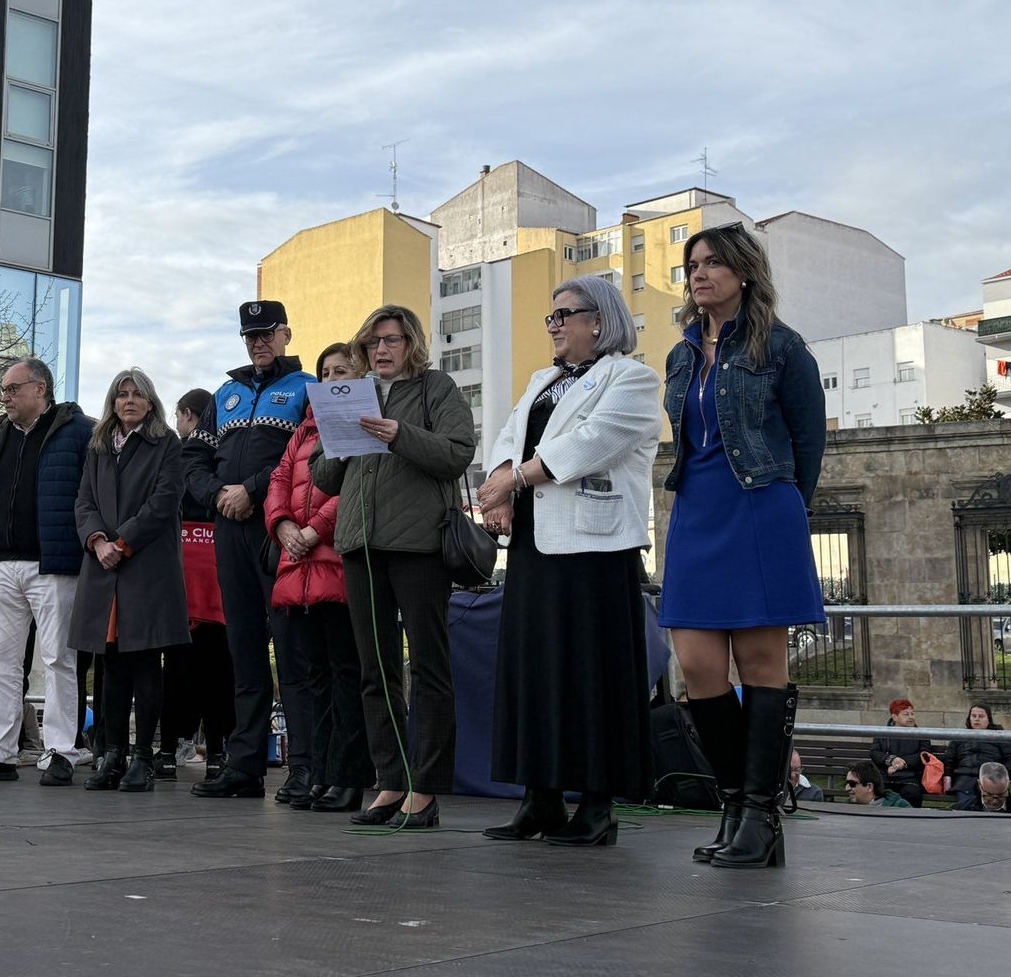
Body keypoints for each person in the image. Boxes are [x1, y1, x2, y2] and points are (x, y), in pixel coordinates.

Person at [659, 224, 826, 869]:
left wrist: (787, 511)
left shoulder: (782, 348)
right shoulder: (678, 355)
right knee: (699, 667)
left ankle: (760, 814)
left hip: (760, 508)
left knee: (761, 662)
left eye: (713, 264)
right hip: (696, 511)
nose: (700, 274)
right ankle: (733, 802)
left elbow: (809, 442)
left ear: (745, 272)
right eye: (693, 265)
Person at [477, 278, 662, 847]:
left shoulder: (631, 379)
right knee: (534, 670)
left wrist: (517, 477)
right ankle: (541, 799)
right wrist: (499, 486)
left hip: (595, 549)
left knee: (591, 674)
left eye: (565, 315)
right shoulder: (543, 380)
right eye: (550, 316)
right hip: (536, 543)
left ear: (599, 321)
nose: (554, 325)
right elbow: (508, 438)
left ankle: (598, 805)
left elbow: (593, 441)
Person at [311, 305, 476, 829]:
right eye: (374, 342)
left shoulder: (436, 388)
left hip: (420, 545)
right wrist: (339, 442)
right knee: (375, 671)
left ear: (413, 345)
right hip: (360, 543)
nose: (382, 350)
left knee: (428, 666)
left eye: (393, 341)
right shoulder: (353, 392)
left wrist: (396, 433)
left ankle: (424, 788)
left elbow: (457, 453)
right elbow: (323, 477)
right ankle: (389, 782)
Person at [186, 301, 315, 802]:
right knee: (243, 650)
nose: (258, 343)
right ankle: (245, 765)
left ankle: (304, 766)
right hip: (229, 529)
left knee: (292, 649)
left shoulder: (307, 388)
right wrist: (218, 494)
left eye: (266, 333)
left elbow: (305, 454)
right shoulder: (225, 393)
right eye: (250, 335)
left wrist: (252, 490)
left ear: (285, 333)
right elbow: (193, 458)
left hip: (276, 528)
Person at [0, 358, 93, 786]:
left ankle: (61, 752)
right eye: (4, 391)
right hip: (1, 562)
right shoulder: (1, 433)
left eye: (13, 389)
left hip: (53, 562)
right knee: (0, 661)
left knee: (58, 659)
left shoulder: (77, 430)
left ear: (40, 389)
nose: (5, 397)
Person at [264, 344, 374, 813]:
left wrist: (312, 529)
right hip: (301, 567)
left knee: (347, 673)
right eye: (325, 372)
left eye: (341, 371)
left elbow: (355, 485)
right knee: (317, 676)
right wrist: (283, 525)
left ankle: (348, 776)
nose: (331, 379)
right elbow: (279, 481)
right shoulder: (305, 428)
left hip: (338, 561)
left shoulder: (363, 420)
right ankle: (322, 774)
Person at [71, 368, 190, 792]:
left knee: (145, 665)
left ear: (151, 401)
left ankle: (144, 758)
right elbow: (83, 501)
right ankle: (113, 755)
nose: (129, 401)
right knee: (112, 667)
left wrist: (123, 543)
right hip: (103, 569)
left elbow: (164, 502)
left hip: (145, 568)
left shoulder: (166, 444)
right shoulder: (99, 445)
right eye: (122, 394)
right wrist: (98, 540)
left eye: (137, 394)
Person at [158, 388, 234, 780]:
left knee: (176, 666)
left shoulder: (181, 455)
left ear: (188, 415)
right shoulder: (229, 452)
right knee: (219, 667)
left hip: (184, 564)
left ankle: (169, 749)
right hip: (219, 565)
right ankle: (219, 750)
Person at [870, 698, 930, 808]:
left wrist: (902, 763)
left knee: (911, 793)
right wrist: (891, 760)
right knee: (878, 792)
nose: (911, 717)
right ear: (894, 717)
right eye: (906, 714)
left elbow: (924, 754)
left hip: (910, 778)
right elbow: (875, 753)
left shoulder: (921, 734)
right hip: (886, 778)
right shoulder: (882, 733)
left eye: (912, 714)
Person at [945, 704, 1008, 808]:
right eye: (973, 716)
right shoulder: (959, 737)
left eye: (981, 716)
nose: (976, 719)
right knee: (967, 803)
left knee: (993, 802)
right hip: (965, 778)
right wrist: (947, 781)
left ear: (989, 719)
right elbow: (949, 760)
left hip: (993, 778)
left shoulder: (999, 736)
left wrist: (1001, 775)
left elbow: (1009, 759)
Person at [845, 759, 910, 807]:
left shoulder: (900, 806)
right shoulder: (846, 807)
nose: (847, 788)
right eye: (847, 783)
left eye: (852, 783)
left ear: (869, 787)